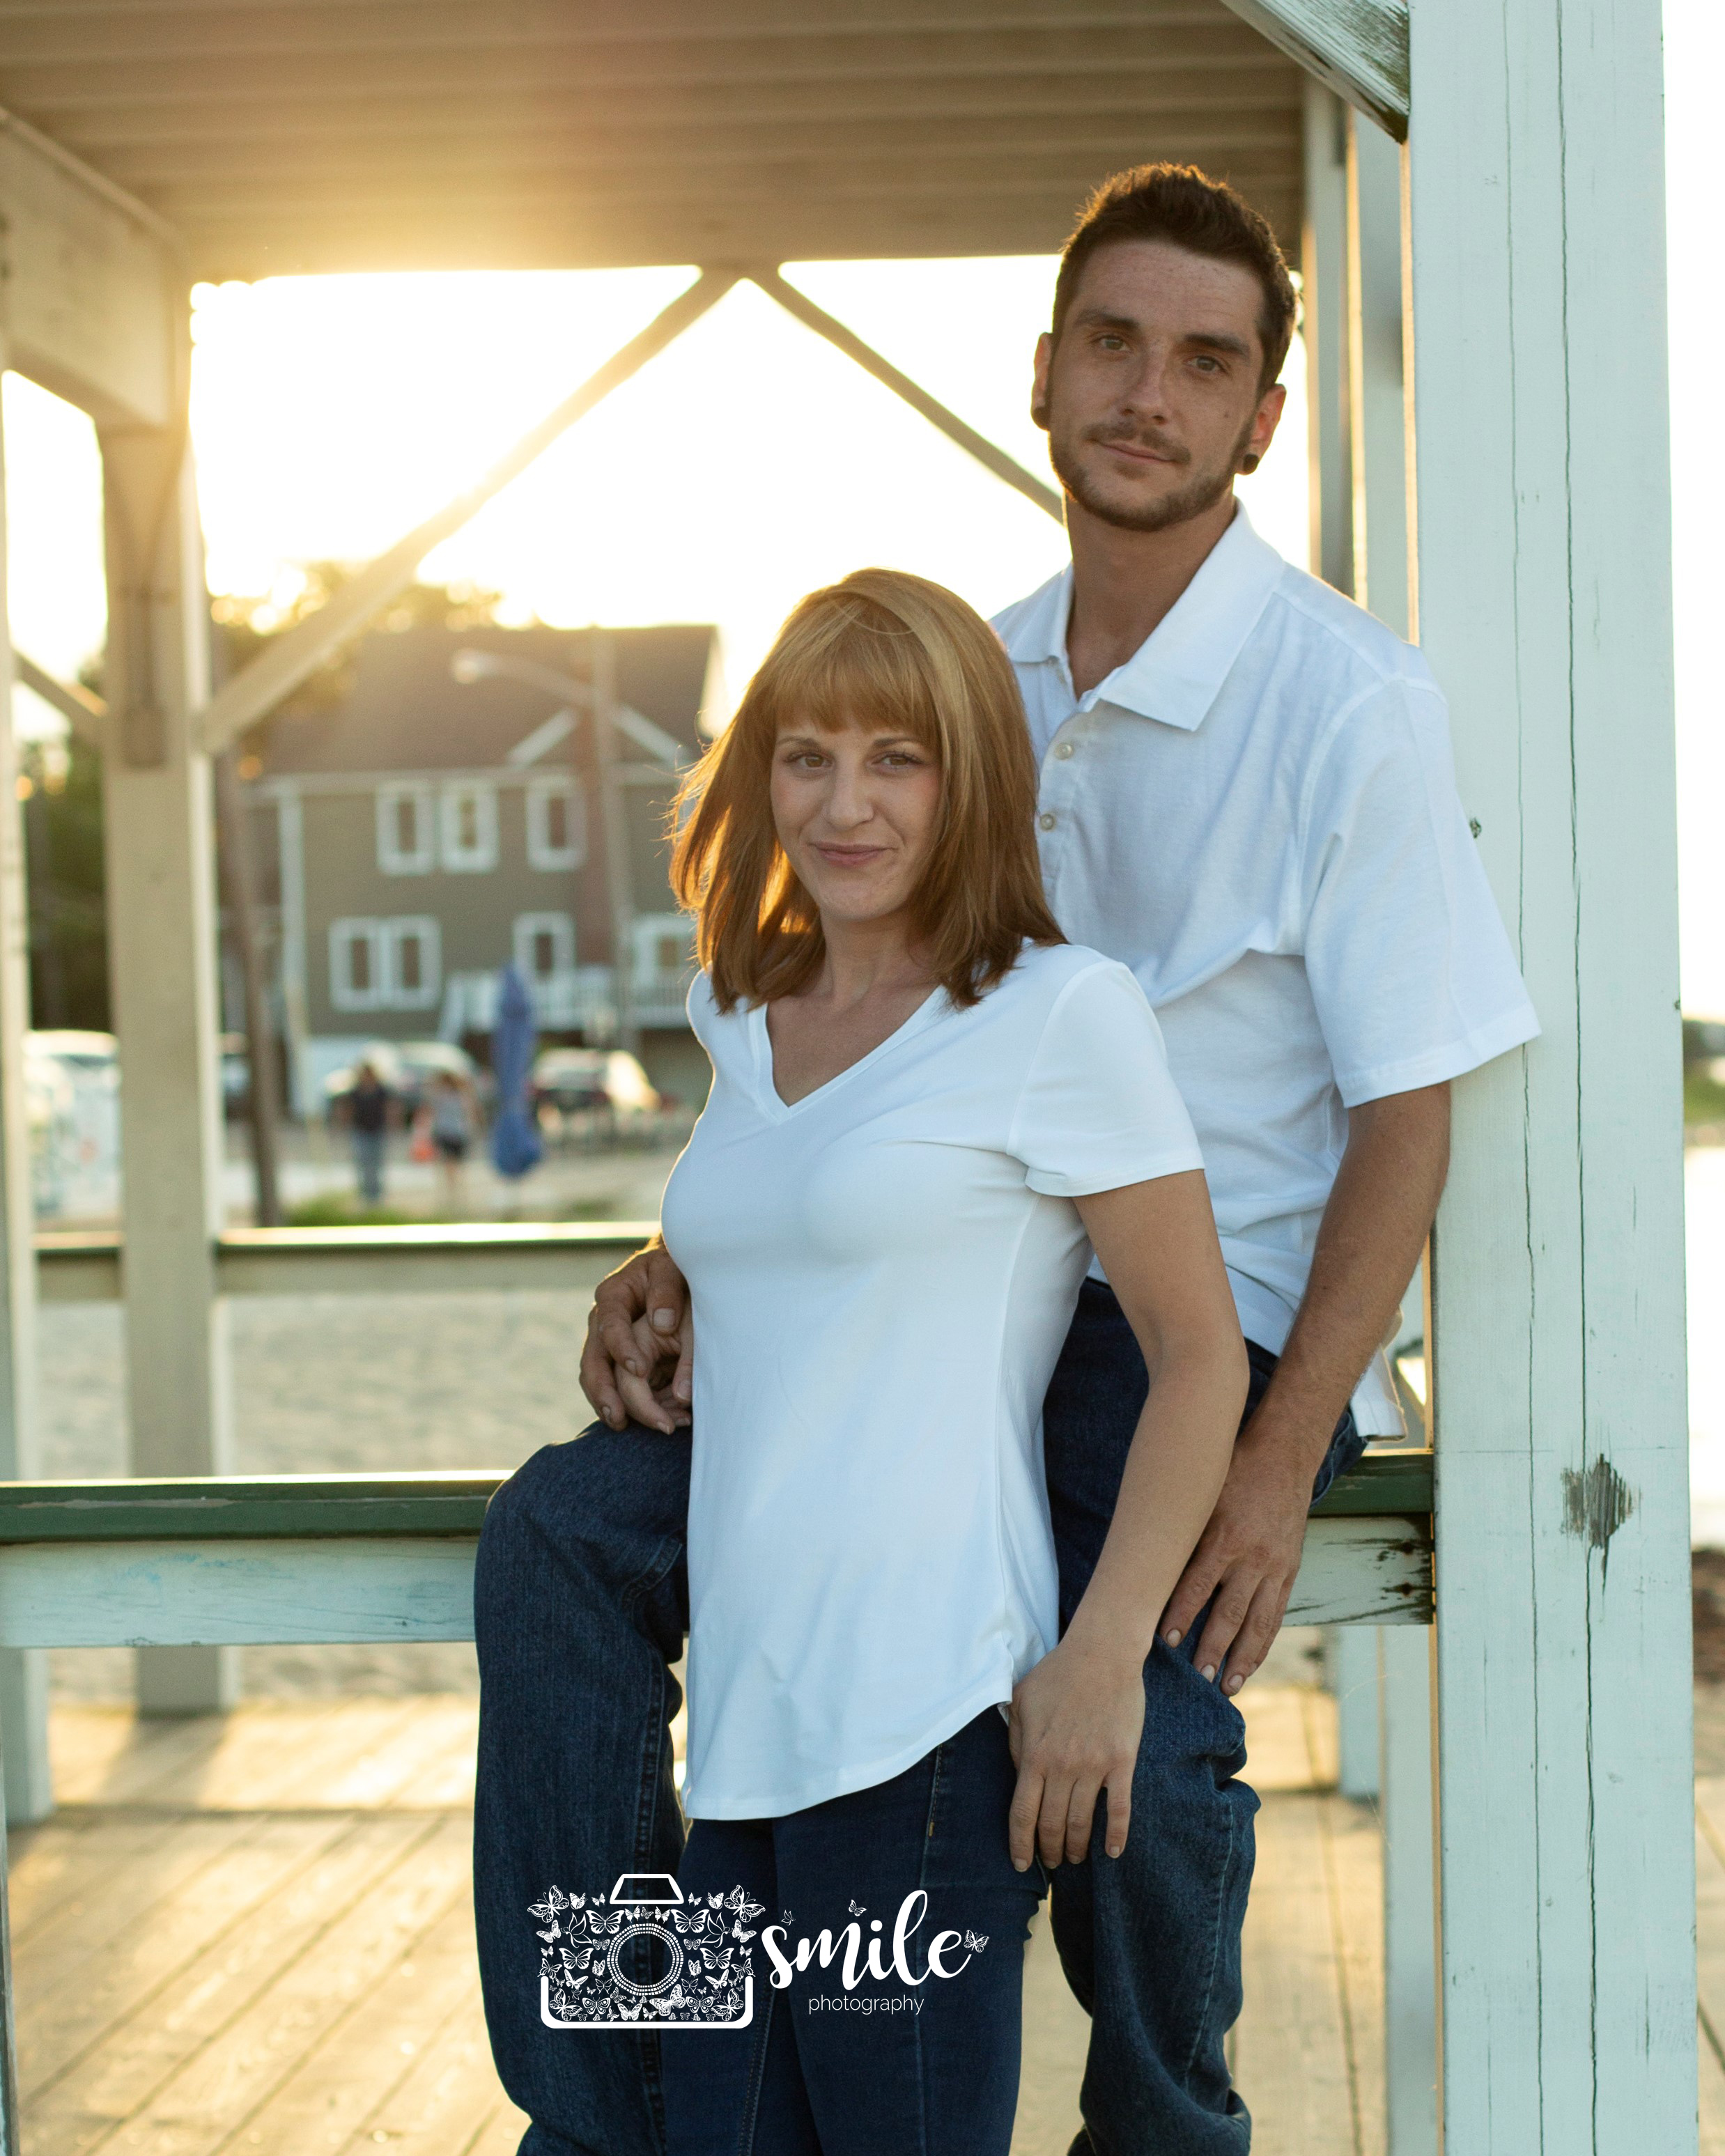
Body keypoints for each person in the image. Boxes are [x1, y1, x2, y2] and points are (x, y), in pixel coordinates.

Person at [479, 164, 1540, 2153]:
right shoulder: (962, 670)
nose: (1147, 392)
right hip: (953, 1275)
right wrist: (691, 1250)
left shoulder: (1346, 704)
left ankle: (1158, 2120)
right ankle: (606, 2086)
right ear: (1044, 371)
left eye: (1201, 361)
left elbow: (1409, 1102)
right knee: (569, 1529)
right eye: (1112, 346)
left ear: (1257, 419)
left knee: (1138, 1688)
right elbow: (854, 1046)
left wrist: (1278, 1441)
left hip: (1186, 1312)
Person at [344, 1058, 392, 1206]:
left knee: (376, 1163)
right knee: (363, 1162)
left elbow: (389, 1107)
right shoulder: (356, 1091)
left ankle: (375, 1194)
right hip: (361, 1130)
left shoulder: (380, 1090)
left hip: (377, 1129)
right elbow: (349, 1108)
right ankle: (366, 1194)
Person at [426, 1069, 476, 1210]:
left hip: (453, 1133)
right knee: (451, 1163)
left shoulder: (452, 1096)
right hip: (449, 1133)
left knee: (453, 1164)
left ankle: (454, 1192)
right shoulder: (453, 1096)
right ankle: (454, 1192)